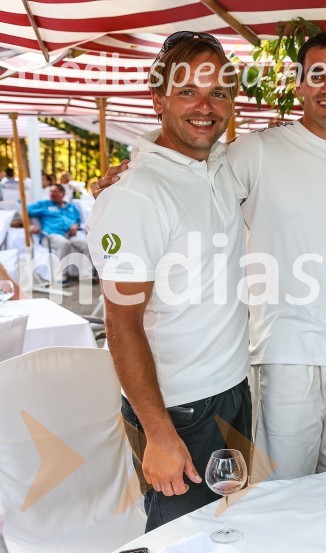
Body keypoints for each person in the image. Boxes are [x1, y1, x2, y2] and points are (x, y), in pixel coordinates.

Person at [85, 32, 252, 531]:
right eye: (187, 91)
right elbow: (121, 323)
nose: (205, 106)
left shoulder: (219, 165)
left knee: (230, 528)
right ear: (158, 98)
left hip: (232, 391)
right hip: (176, 410)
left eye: (219, 93)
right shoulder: (135, 194)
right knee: (181, 538)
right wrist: (158, 434)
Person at [226, 32, 326, 480]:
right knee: (282, 488)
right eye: (316, 74)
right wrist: (136, 167)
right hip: (284, 352)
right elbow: (195, 185)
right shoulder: (257, 150)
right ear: (298, 84)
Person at [27, 183, 92, 281]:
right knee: (64, 243)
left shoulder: (71, 207)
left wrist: (75, 226)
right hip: (50, 235)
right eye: (51, 191)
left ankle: (86, 276)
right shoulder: (45, 204)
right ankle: (60, 276)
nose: (52, 194)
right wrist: (30, 226)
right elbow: (23, 210)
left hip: (69, 235)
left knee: (87, 245)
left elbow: (78, 221)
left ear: (62, 194)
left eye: (55, 191)